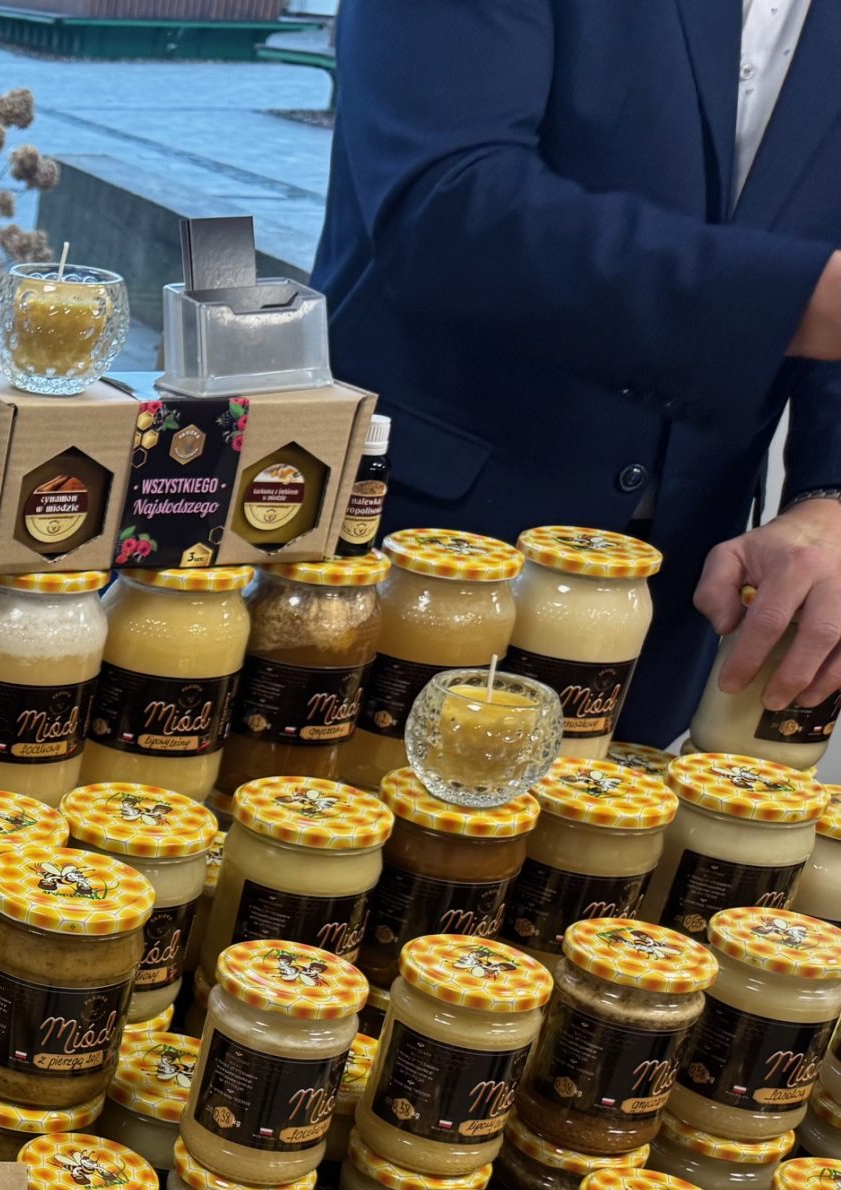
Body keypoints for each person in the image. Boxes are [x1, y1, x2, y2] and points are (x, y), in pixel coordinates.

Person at [315, 0, 841, 743]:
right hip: (420, 549)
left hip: (683, 586)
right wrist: (787, 303)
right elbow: (449, 206)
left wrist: (829, 496)